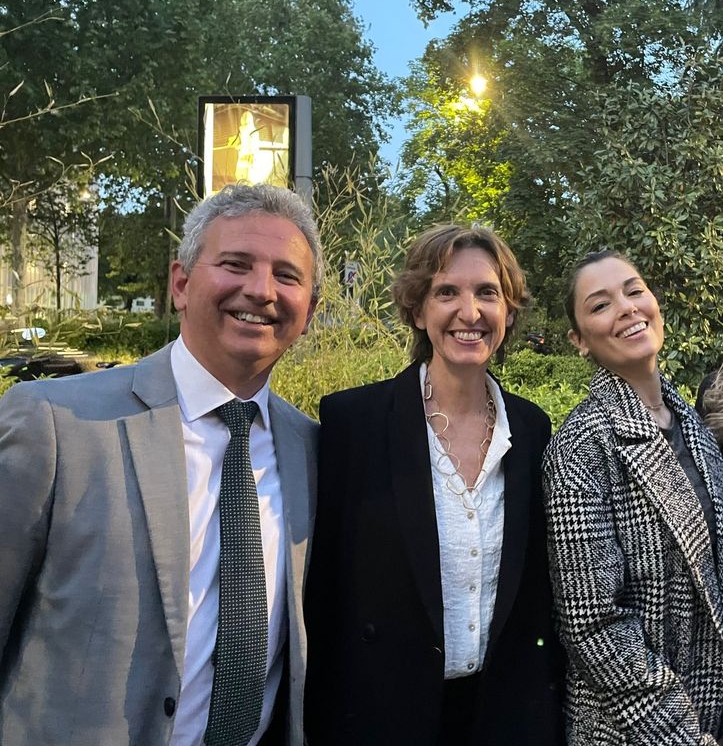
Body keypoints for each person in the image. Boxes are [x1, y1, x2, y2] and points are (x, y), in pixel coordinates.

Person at [0, 183, 321, 746]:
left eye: (287, 275)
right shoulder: (54, 423)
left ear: (310, 310)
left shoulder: (312, 450)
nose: (260, 289)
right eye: (235, 264)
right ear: (181, 283)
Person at [304, 224, 564, 746]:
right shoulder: (353, 423)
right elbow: (324, 593)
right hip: (384, 717)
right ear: (419, 311)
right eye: (447, 292)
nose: (470, 312)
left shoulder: (532, 429)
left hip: (502, 718)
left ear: (508, 312)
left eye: (487, 293)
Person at [544, 249, 723, 745]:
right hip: (637, 730)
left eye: (634, 291)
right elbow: (594, 626)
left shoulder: (692, 425)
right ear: (580, 341)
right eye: (600, 305)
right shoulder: (581, 446)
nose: (626, 308)